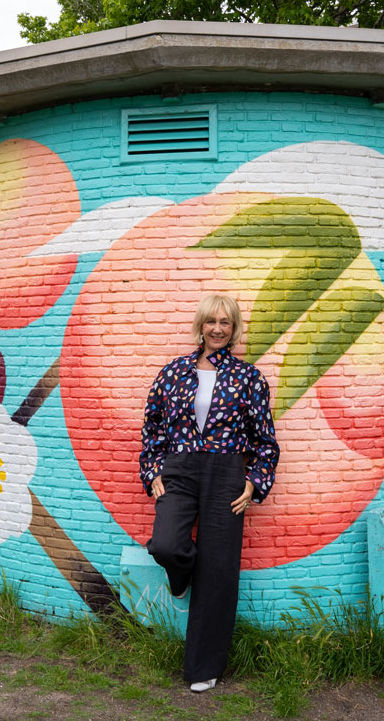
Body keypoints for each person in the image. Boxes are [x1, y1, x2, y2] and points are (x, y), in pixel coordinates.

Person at [139, 293, 279, 692]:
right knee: (166, 544)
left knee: (218, 572)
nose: (218, 329)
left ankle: (204, 668)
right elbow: (151, 428)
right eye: (211, 321)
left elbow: (265, 441)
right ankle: (181, 574)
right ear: (200, 325)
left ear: (233, 330)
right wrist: (152, 472)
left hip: (227, 474)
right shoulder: (172, 372)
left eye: (226, 323)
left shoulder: (249, 378)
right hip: (180, 469)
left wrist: (254, 482)